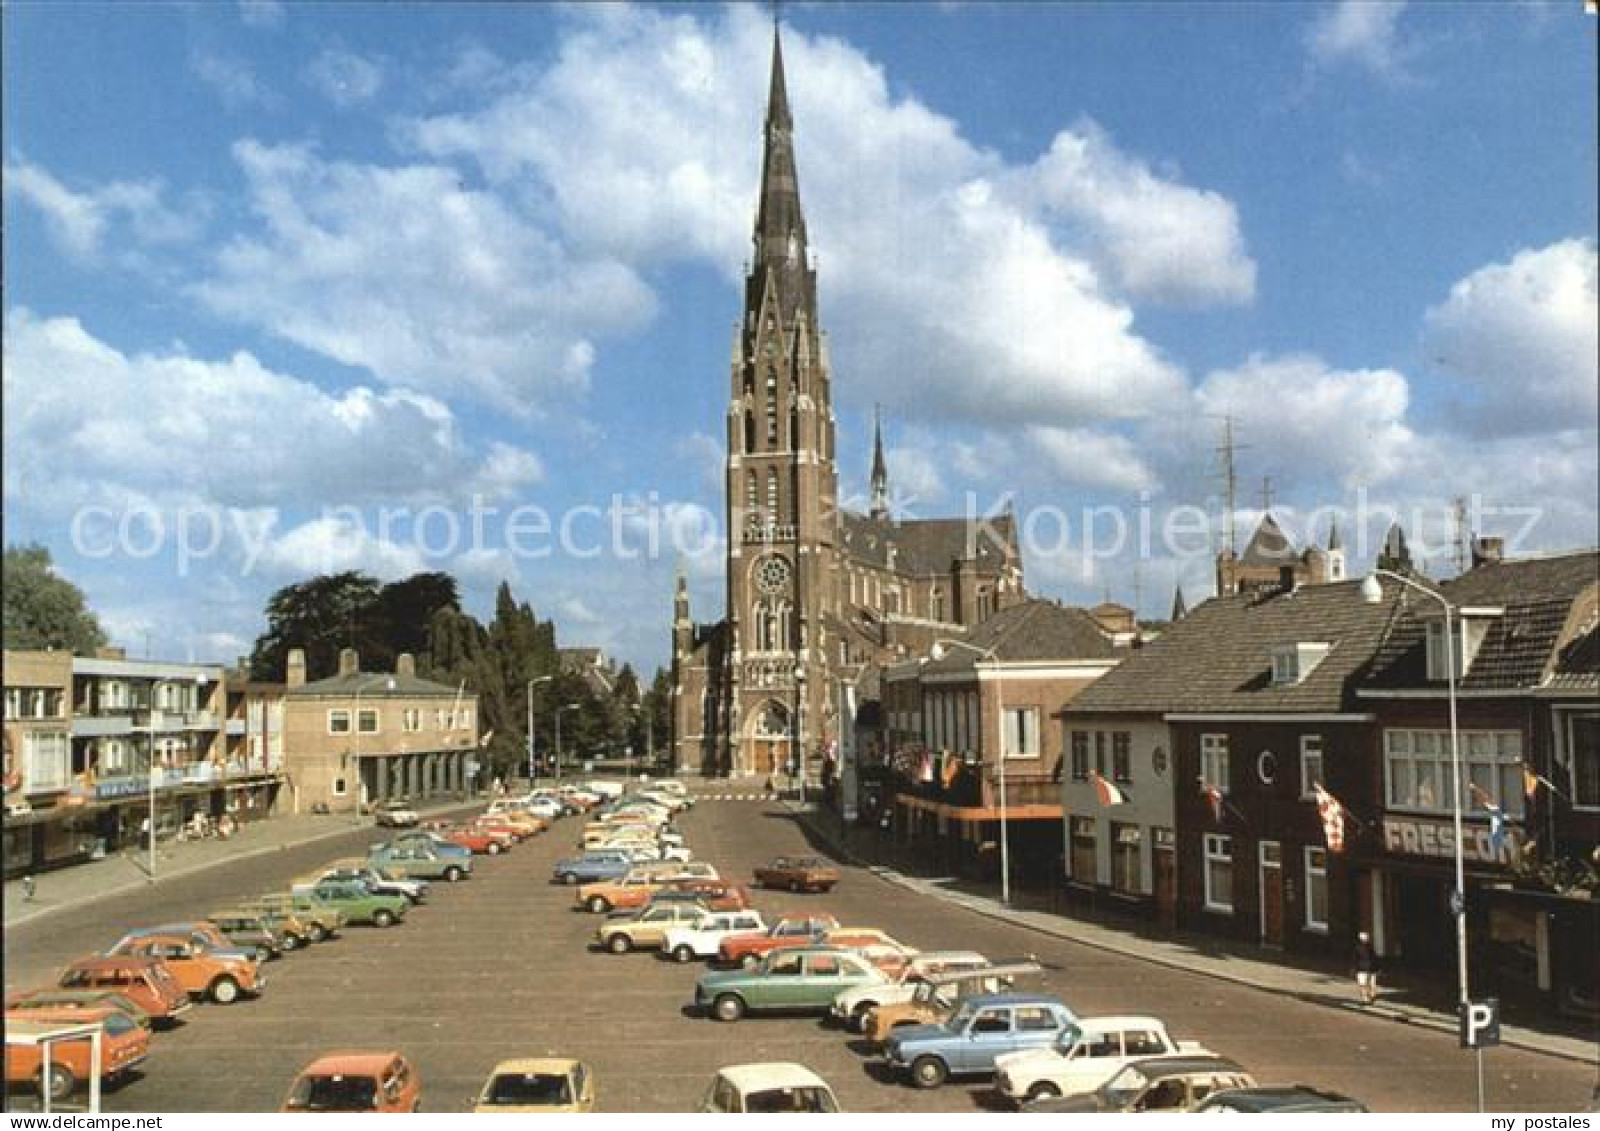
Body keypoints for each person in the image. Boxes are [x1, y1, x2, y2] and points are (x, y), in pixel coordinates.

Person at [1353, 931, 1378, 1005]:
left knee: (1362, 984)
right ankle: (1371, 996)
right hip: (1370, 968)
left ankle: (1365, 998)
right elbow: (1374, 958)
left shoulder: (1357, 948)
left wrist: (1353, 968)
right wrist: (1377, 968)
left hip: (1362, 968)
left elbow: (1354, 959)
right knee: (1371, 984)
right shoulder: (1370, 947)